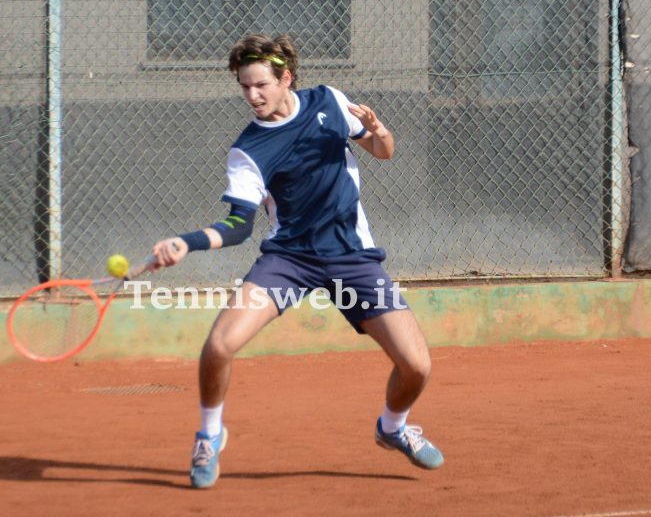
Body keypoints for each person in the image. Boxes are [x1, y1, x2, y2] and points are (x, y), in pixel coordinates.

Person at [151, 33, 444, 489]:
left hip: (352, 257)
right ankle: (210, 435)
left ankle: (392, 427)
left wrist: (379, 130)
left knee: (417, 366)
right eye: (245, 87)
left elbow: (382, 151)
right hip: (290, 260)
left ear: (286, 78)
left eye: (260, 85)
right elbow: (239, 226)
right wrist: (187, 243)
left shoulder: (330, 101)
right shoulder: (249, 150)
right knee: (219, 345)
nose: (252, 96)